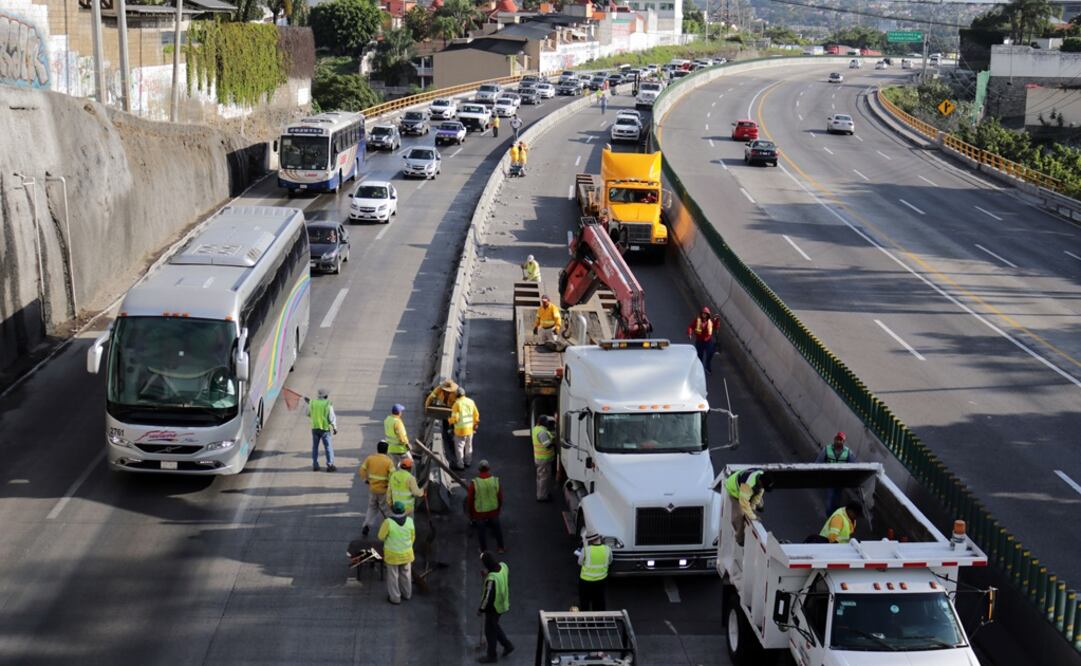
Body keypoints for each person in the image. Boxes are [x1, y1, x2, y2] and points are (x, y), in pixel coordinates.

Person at [477, 551, 514, 663]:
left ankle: (492, 656)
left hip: (494, 608)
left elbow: (487, 598)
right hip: (503, 603)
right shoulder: (503, 566)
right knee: (494, 626)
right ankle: (507, 645)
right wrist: (488, 572)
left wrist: (481, 609)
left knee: (489, 632)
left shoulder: (491, 579)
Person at [723, 468, 774, 545]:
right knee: (739, 515)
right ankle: (739, 539)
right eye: (763, 486)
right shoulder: (748, 485)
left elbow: (757, 495)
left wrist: (753, 509)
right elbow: (743, 503)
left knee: (755, 504)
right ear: (760, 482)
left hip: (747, 490)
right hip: (734, 491)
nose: (763, 488)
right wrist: (753, 516)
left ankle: (759, 504)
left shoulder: (762, 476)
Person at [378, 501, 415, 604]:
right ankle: (407, 594)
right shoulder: (409, 521)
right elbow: (412, 537)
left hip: (392, 555)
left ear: (392, 510)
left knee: (393, 576)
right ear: (404, 511)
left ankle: (395, 598)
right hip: (407, 554)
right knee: (406, 574)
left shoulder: (388, 522)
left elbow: (380, 537)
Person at [468, 460, 505, 553]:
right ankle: (501, 547)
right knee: (497, 528)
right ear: (489, 468)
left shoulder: (475, 483)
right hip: (493, 510)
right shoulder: (495, 481)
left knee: (481, 531)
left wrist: (471, 513)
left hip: (480, 512)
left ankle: (484, 550)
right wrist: (498, 508)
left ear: (479, 470)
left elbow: (470, 500)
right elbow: (500, 497)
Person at [359, 440, 394, 536]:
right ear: (386, 450)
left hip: (372, 489)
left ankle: (367, 525)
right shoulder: (388, 461)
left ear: (377, 449)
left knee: (372, 508)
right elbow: (393, 475)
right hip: (383, 490)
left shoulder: (370, 458)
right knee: (386, 510)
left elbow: (362, 470)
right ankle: (392, 526)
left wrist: (365, 480)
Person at [815, 431, 857, 514]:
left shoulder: (848, 452)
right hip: (830, 479)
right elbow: (818, 463)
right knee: (830, 499)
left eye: (840, 440)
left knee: (837, 499)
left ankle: (834, 515)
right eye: (837, 439)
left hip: (841, 480)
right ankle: (829, 516)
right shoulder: (826, 449)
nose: (838, 441)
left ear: (843, 442)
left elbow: (853, 467)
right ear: (834, 440)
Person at [575, 532, 611, 611]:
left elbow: (579, 563)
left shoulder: (586, 550)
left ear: (590, 540)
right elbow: (610, 561)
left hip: (585, 581)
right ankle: (600, 622)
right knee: (599, 602)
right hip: (601, 580)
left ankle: (586, 622)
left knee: (585, 603)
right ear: (600, 538)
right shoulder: (607, 549)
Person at [424, 378, 459, 461]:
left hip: (453, 411)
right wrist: (427, 408)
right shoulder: (439, 389)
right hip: (444, 407)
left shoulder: (455, 393)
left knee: (452, 430)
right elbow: (430, 398)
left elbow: (458, 406)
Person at [305, 389, 337, 472]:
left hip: (315, 428)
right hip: (325, 429)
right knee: (328, 447)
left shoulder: (312, 403)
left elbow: (307, 413)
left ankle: (315, 465)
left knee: (315, 447)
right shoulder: (328, 404)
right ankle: (330, 465)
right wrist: (334, 427)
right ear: (326, 396)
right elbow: (331, 417)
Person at [448, 387, 480, 469]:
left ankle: (460, 465)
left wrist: (449, 421)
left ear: (456, 395)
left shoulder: (457, 404)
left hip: (460, 430)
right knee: (469, 446)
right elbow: (476, 415)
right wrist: (475, 424)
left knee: (459, 447)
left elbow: (455, 418)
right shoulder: (471, 402)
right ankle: (468, 462)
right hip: (470, 429)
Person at [532, 415, 556, 501]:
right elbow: (548, 445)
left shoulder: (536, 429)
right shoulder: (542, 432)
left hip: (539, 458)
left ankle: (542, 493)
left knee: (540, 477)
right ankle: (542, 496)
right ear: (544, 423)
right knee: (544, 478)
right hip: (544, 459)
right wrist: (555, 442)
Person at [687, 307, 716, 374]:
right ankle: (699, 369)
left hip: (708, 341)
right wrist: (689, 333)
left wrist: (717, 322)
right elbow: (691, 327)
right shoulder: (697, 321)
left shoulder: (710, 322)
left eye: (706, 314)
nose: (704, 315)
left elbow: (714, 327)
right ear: (701, 314)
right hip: (699, 342)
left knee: (710, 352)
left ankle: (707, 366)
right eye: (703, 314)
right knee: (699, 356)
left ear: (708, 315)